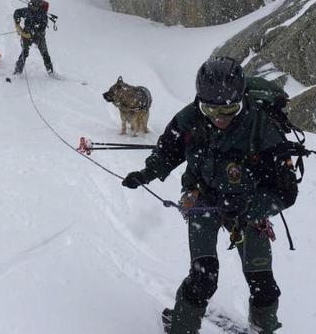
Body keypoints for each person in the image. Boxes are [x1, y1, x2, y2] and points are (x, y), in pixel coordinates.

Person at [122, 57, 297, 334]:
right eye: (210, 109)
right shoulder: (189, 119)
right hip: (202, 200)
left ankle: (262, 328)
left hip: (249, 209)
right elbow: (168, 152)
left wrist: (248, 207)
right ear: (198, 101)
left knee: (263, 284)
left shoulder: (262, 126)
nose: (219, 118)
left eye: (229, 109)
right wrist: (145, 174)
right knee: (203, 277)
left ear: (241, 100)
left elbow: (286, 192)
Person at [12, 0, 54, 76]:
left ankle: (50, 71)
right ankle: (18, 70)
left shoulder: (43, 15)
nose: (33, 7)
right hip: (26, 35)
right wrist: (17, 23)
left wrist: (33, 33)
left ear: (39, 6)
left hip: (39, 37)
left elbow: (42, 28)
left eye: (35, 6)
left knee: (45, 53)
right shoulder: (27, 11)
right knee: (24, 52)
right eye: (32, 5)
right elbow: (16, 12)